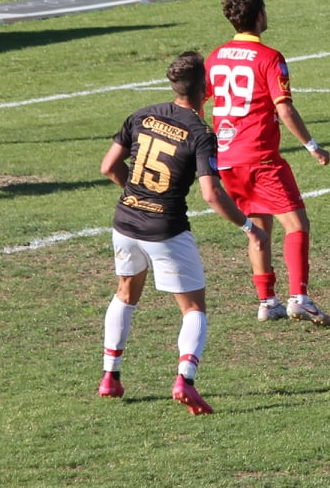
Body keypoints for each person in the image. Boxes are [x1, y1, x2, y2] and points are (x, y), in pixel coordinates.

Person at [98, 51, 268, 414]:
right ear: (205, 90)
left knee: (126, 295)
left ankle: (110, 376)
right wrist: (249, 227)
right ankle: (184, 381)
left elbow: (109, 166)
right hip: (166, 229)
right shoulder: (200, 133)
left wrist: (137, 193)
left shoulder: (142, 114)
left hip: (125, 222)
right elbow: (211, 193)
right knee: (193, 309)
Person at [204, 0, 330, 326]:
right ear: (259, 16)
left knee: (257, 228)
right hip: (261, 158)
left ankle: (267, 301)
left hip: (229, 160)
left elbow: (201, 102)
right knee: (297, 224)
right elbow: (285, 109)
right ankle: (300, 298)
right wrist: (312, 146)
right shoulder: (269, 57)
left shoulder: (215, 57)